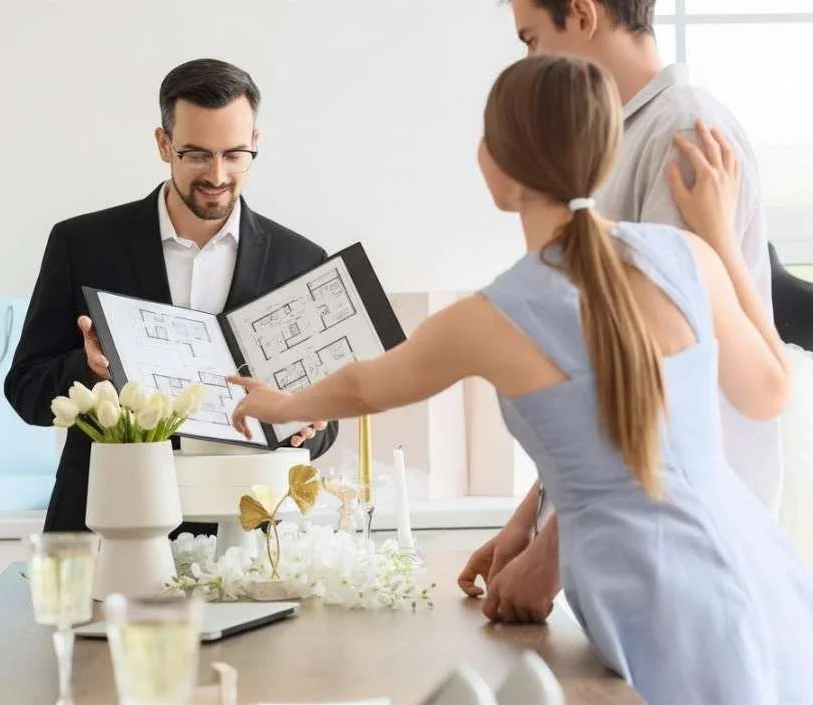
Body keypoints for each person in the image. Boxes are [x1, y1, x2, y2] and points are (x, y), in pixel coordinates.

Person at [225, 55, 813, 705]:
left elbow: (368, 385)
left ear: (498, 170)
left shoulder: (493, 316)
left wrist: (280, 403)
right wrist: (723, 242)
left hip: (650, 595)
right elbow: (771, 391)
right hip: (763, 571)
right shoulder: (690, 256)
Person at [471, 0, 785, 625]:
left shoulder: (683, 137)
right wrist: (531, 522)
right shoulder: (618, 140)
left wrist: (551, 557)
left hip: (691, 544)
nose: (529, 60)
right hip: (641, 537)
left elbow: (656, 379)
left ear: (583, 15)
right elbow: (594, 378)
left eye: (532, 38)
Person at [5, 58, 337, 533]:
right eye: (197, 154)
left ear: (256, 144)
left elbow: (324, 427)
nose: (217, 174)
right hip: (105, 527)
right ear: (164, 144)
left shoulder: (300, 261)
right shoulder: (82, 244)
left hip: (246, 535)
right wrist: (91, 369)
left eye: (235, 154)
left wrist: (302, 424)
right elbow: (25, 392)